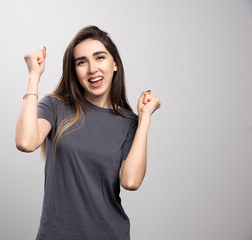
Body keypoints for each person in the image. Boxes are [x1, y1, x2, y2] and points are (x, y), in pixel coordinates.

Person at [16, 25, 161, 240]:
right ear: (74, 70)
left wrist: (144, 120)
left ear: (114, 64)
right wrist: (33, 77)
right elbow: (26, 142)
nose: (92, 68)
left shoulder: (128, 122)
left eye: (100, 57)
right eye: (81, 62)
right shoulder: (55, 107)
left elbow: (131, 182)